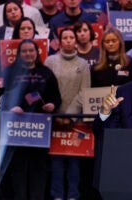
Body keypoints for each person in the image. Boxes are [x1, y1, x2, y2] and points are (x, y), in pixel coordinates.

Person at [2, 39, 61, 200]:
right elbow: (1, 97)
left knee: (39, 168)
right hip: (16, 129)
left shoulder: (46, 72)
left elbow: (56, 98)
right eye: (24, 51)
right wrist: (10, 107)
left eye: (31, 51)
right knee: (18, 168)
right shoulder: (9, 72)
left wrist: (52, 105)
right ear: (19, 54)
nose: (28, 54)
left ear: (37, 52)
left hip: (39, 130)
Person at [44, 28, 91, 200]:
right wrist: (57, 114)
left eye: (72, 37)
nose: (69, 40)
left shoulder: (83, 64)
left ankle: (73, 196)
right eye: (66, 37)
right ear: (60, 41)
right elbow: (46, 89)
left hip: (74, 119)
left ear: (76, 40)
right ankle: (56, 196)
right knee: (55, 161)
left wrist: (70, 115)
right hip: (53, 118)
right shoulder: (50, 61)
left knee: (74, 161)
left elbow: (84, 91)